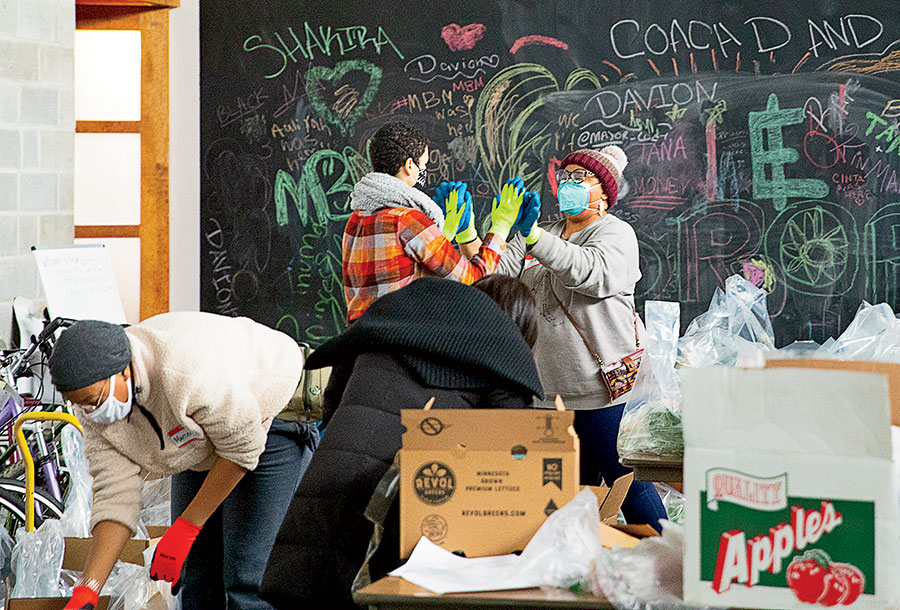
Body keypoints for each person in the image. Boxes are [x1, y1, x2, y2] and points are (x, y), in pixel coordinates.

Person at [260, 275, 543, 609]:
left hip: (332, 473)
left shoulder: (396, 315)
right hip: (406, 509)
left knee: (309, 582)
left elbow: (333, 399)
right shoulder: (505, 353)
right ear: (520, 327)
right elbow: (511, 465)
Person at [50, 313, 319, 610]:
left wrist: (186, 529)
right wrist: (88, 589)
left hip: (269, 414)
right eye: (81, 404)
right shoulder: (95, 411)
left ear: (124, 372)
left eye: (95, 400)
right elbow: (115, 496)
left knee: (247, 581)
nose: (91, 412)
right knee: (196, 578)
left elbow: (243, 446)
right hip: (202, 434)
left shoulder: (182, 370)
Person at [497, 145, 667, 530]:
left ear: (604, 194)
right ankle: (583, 571)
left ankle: (668, 565)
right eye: (565, 176)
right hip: (548, 392)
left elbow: (588, 273)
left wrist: (535, 237)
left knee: (627, 483)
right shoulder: (544, 231)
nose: (568, 184)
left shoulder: (615, 233)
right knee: (570, 492)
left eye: (580, 178)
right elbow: (498, 274)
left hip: (600, 390)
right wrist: (476, 238)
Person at [342, 121, 525, 322]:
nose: (424, 171)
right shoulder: (408, 220)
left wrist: (442, 235)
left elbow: (401, 271)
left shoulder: (356, 219)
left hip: (361, 341)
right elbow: (475, 280)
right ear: (410, 166)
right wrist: (501, 226)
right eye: (424, 165)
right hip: (403, 343)